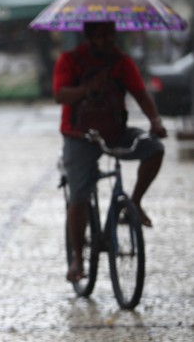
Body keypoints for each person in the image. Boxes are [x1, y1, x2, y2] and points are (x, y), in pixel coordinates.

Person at [54, 21, 167, 283]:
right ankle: (78, 258)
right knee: (80, 194)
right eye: (102, 36)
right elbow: (60, 95)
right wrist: (87, 89)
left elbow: (140, 93)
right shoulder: (70, 61)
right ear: (90, 37)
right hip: (79, 136)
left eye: (110, 35)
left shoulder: (121, 62)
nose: (107, 41)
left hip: (115, 130)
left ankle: (135, 202)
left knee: (153, 149)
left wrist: (155, 122)